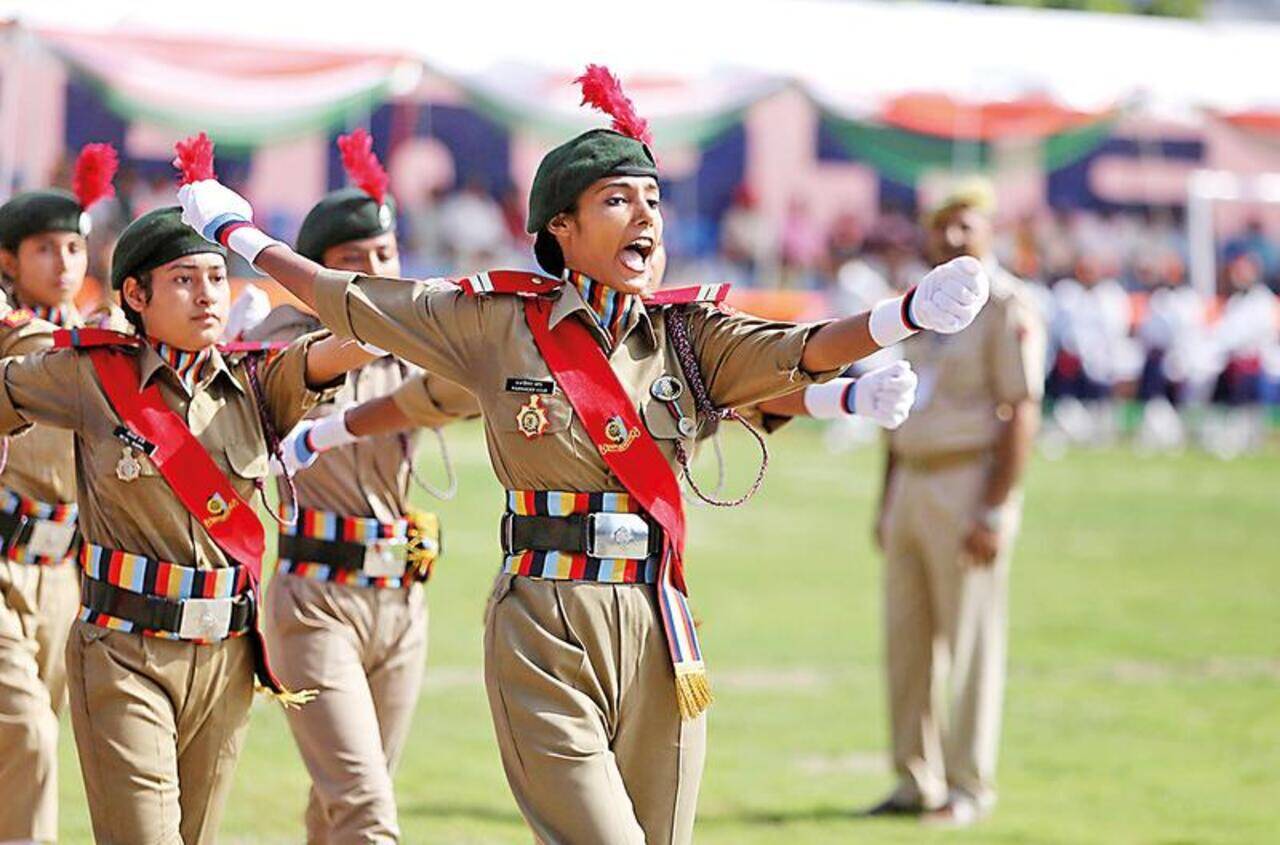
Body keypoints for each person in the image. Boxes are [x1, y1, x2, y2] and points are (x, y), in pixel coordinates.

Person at [175, 65, 988, 844]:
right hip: (545, 619)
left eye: (653, 200)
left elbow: (797, 350)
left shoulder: (687, 333)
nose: (646, 217)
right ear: (561, 228)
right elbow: (356, 304)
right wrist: (238, 233)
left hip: (658, 624)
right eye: (616, 200)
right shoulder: (498, 322)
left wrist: (903, 315)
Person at [0, 135, 375, 845]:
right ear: (134, 295)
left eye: (215, 275)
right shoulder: (89, 373)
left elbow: (361, 334)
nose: (207, 293)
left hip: (226, 656)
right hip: (123, 651)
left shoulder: (260, 381)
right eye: (184, 279)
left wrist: (253, 243)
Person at [251, 129, 480, 844]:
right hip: (315, 599)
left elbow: (476, 386)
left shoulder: (416, 334)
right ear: (317, 274)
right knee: (366, 813)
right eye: (352, 264)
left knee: (335, 810)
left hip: (402, 600)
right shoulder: (287, 339)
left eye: (385, 256)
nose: (376, 272)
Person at [867, 179, 1045, 827]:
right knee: (906, 638)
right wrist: (886, 497)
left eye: (964, 224)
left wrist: (995, 507)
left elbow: (1020, 409)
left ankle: (968, 784)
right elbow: (899, 401)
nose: (950, 236)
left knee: (970, 639)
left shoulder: (1005, 306)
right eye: (940, 224)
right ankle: (915, 777)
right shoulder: (922, 303)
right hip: (913, 476)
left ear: (989, 230)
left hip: (969, 480)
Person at [0, 143, 127, 845]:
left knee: (27, 743)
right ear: (9, 260)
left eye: (74, 245)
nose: (64, 261)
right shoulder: (14, 334)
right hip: (1, 561)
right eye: (44, 247)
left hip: (64, 575)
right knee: (26, 733)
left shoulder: (104, 336)